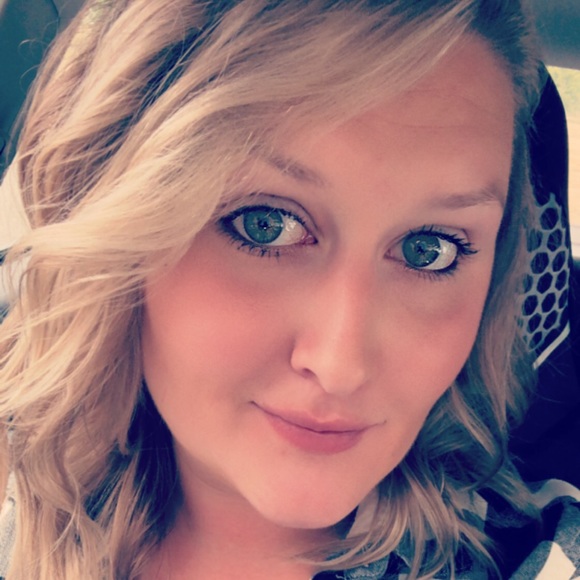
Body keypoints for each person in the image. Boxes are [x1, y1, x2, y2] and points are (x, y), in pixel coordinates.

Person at [0, 0, 578, 578]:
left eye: (430, 249)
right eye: (266, 225)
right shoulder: (21, 493)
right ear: (121, 233)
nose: (341, 366)